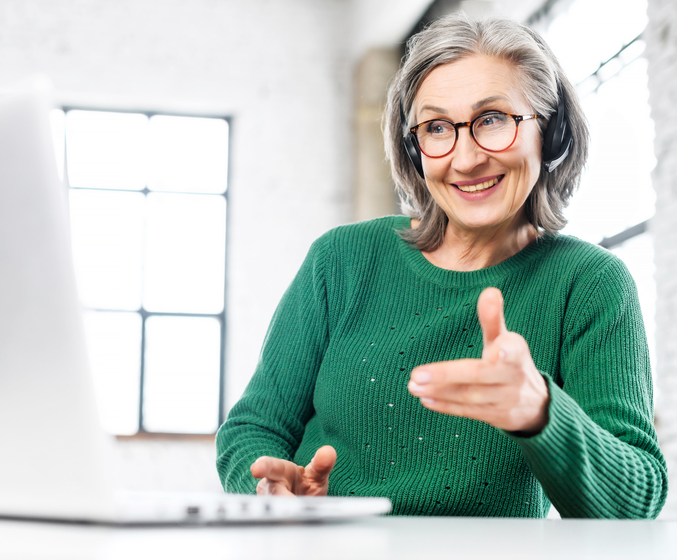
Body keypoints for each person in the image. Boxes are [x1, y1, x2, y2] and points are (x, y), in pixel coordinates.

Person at [215, 12, 668, 518]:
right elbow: (253, 428)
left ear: (552, 132)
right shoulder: (340, 261)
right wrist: (271, 489)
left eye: (492, 119)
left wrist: (541, 412)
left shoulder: (591, 285)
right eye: (436, 128)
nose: (466, 158)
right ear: (415, 150)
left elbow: (637, 503)